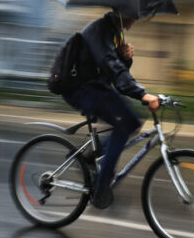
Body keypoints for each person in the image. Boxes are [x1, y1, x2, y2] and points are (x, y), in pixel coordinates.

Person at [61, 11, 159, 209]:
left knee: (132, 121)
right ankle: (101, 187)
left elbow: (114, 69)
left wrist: (125, 58)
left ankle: (89, 157)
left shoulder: (113, 33)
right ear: (121, 13)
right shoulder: (99, 31)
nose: (134, 19)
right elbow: (112, 67)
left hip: (97, 88)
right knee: (123, 125)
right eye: (132, 15)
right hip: (82, 90)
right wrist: (142, 94)